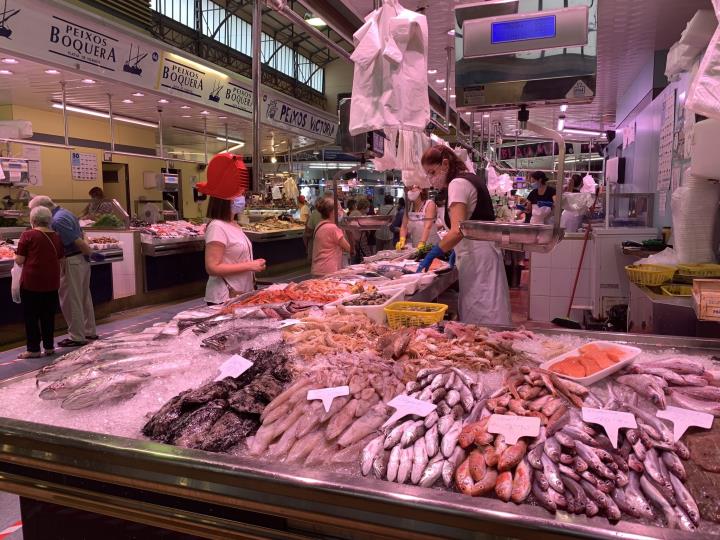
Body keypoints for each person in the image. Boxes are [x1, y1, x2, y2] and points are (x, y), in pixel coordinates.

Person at [417, 145, 511, 326]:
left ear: (445, 164)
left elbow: (458, 229)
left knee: (481, 310)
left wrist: (435, 252)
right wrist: (455, 249)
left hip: (477, 257)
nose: (430, 179)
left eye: (432, 172)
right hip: (482, 253)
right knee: (488, 305)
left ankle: (488, 347)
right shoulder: (471, 178)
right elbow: (468, 224)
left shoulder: (457, 184)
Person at [29, 196, 97, 347]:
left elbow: (77, 241)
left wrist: (90, 252)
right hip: (81, 261)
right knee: (84, 298)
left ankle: (77, 337)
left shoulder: (57, 221)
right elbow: (82, 234)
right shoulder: (66, 212)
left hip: (72, 260)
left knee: (71, 300)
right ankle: (89, 330)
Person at [14, 206, 64, 358]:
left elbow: (20, 259)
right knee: (48, 315)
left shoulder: (27, 235)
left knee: (31, 317)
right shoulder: (56, 236)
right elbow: (61, 259)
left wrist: (15, 255)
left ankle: (33, 349)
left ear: (33, 220)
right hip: (52, 282)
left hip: (32, 282)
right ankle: (49, 347)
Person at [204, 196, 266, 305]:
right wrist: (250, 266)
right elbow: (212, 268)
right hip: (225, 297)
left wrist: (254, 264)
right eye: (236, 195)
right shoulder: (217, 227)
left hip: (242, 293)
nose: (241, 198)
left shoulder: (234, 224)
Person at [311, 196, 351, 276]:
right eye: (339, 209)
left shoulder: (319, 225)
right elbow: (348, 248)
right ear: (332, 212)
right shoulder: (333, 228)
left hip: (318, 268)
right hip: (329, 270)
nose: (341, 211)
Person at [397, 185, 440, 250]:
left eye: (412, 188)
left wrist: (422, 243)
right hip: (416, 245)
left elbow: (427, 227)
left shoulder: (429, 204)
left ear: (421, 189)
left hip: (432, 245)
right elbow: (403, 226)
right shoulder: (408, 207)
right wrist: (402, 239)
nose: (409, 191)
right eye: (408, 189)